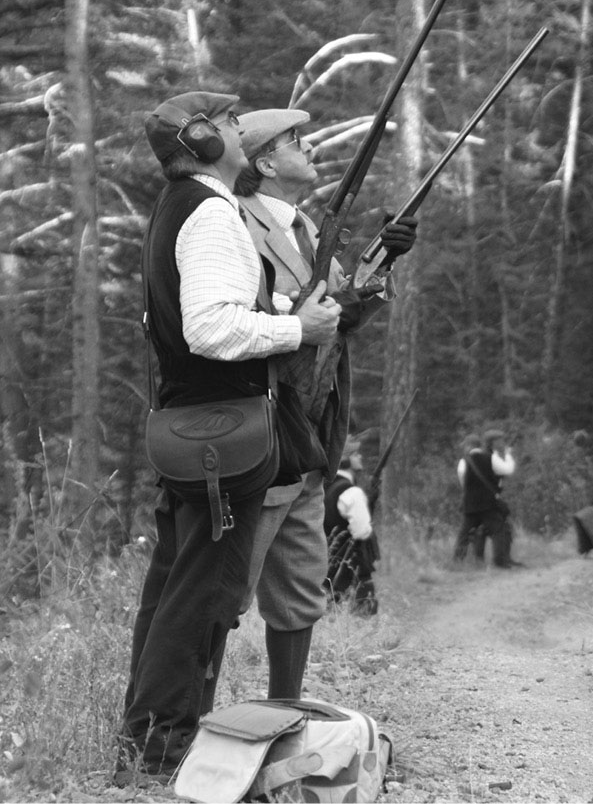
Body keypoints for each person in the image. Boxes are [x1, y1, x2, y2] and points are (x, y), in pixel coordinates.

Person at [114, 91, 342, 786]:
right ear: (204, 142)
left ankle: (145, 749)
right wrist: (296, 331)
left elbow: (209, 307)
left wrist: (279, 307)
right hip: (223, 433)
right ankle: (162, 757)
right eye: (229, 124)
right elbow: (209, 330)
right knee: (200, 601)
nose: (241, 129)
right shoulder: (211, 212)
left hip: (200, 428)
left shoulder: (183, 206)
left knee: (172, 595)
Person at [233, 109, 416, 696]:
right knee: (224, 593)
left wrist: (384, 258)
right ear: (264, 163)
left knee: (301, 589)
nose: (309, 146)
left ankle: (284, 712)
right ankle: (176, 732)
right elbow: (251, 317)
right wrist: (303, 311)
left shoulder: (306, 227)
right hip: (258, 431)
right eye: (294, 141)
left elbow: (343, 311)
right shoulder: (235, 222)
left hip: (307, 439)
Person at [323, 439, 379, 615]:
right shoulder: (352, 492)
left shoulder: (326, 486)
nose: (360, 456)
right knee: (363, 613)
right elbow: (362, 532)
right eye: (355, 454)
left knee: (332, 609)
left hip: (329, 562)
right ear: (344, 459)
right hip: (352, 565)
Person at [453, 429, 518, 568]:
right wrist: (507, 455)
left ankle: (457, 562)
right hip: (488, 504)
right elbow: (508, 470)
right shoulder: (491, 457)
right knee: (498, 530)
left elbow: (463, 483)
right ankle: (500, 562)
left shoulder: (463, 462)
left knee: (464, 534)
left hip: (470, 504)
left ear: (468, 446)